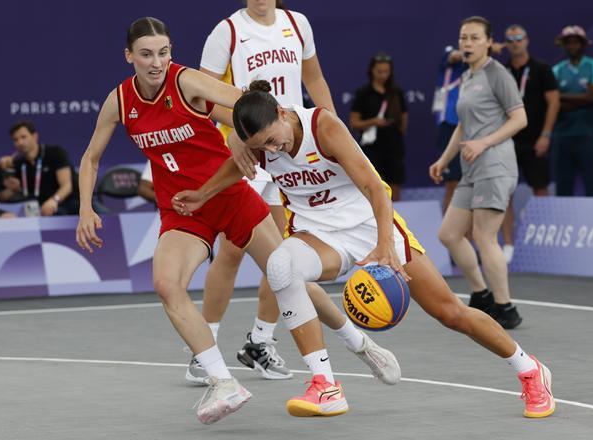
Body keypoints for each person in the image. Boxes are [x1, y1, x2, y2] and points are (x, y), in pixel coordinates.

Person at [75, 17, 394, 424]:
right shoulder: (119, 101)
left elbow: (247, 105)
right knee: (166, 285)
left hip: (228, 195)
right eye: (146, 54)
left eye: (164, 52)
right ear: (129, 57)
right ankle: (222, 381)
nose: (156, 62)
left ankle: (360, 345)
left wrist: (235, 135)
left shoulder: (187, 82)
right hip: (184, 208)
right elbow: (90, 158)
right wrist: (87, 207)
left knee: (288, 278)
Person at [173, 80, 556, 419]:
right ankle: (325, 385)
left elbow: (377, 188)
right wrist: (203, 194)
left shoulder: (322, 127)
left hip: (370, 225)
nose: (274, 149)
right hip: (318, 234)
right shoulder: (259, 143)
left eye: (274, 140)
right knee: (281, 267)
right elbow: (237, 167)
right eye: (262, 147)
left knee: (450, 313)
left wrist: (385, 245)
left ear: (281, 111)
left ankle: (529, 369)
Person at [192, 0, 337, 383]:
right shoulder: (227, 31)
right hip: (249, 153)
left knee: (284, 251)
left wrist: (333, 130)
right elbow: (203, 98)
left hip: (291, 150)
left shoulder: (297, 23)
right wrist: (242, 132)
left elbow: (316, 81)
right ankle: (202, 348)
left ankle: (260, 340)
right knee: (234, 250)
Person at [429, 16, 526, 329]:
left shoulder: (498, 74)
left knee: (485, 237)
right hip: (471, 168)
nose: (467, 43)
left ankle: (505, 307)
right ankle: (481, 295)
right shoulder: (468, 76)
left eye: (473, 38)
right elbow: (462, 125)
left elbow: (519, 119)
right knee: (449, 234)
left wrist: (484, 142)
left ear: (488, 42)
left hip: (495, 165)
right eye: (463, 38)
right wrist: (444, 160)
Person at [500, 24, 560, 263]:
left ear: (527, 40)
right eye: (511, 39)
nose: (515, 43)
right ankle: (508, 244)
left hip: (536, 140)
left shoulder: (542, 69)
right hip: (507, 142)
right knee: (505, 194)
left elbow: (554, 103)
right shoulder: (501, 72)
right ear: (506, 43)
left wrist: (545, 135)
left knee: (541, 188)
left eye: (519, 38)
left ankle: (543, 242)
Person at [552, 25, 593, 197]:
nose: (572, 46)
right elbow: (552, 102)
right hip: (562, 135)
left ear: (583, 44)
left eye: (576, 42)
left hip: (587, 133)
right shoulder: (557, 70)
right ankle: (563, 223)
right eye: (568, 42)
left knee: (592, 182)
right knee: (563, 185)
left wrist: (562, 96)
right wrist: (582, 99)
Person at [349, 52, 407, 201]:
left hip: (394, 147)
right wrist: (373, 122)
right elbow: (354, 123)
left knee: (395, 187)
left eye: (386, 71)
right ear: (372, 71)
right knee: (373, 187)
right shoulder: (363, 93)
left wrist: (397, 135)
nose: (383, 75)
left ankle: (395, 221)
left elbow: (403, 120)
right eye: (379, 71)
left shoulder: (396, 92)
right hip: (371, 149)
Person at [0, 121, 79, 216]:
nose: (20, 142)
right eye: (16, 140)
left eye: (23, 137)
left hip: (68, 204)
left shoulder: (55, 153)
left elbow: (67, 186)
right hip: (39, 210)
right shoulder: (19, 163)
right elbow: (9, 193)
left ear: (35, 136)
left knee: (57, 213)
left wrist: (54, 201)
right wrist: (12, 187)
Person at [432, 46, 467, 213]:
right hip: (449, 126)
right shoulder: (449, 55)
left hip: (471, 126)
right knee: (453, 183)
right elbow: (453, 56)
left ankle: (469, 236)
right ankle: (449, 235)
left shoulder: (480, 69)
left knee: (471, 184)